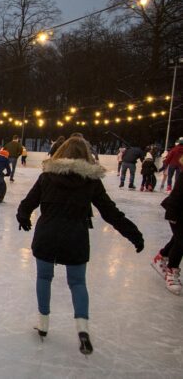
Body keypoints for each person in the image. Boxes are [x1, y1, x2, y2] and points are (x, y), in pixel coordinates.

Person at [17, 137, 144, 355]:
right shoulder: (91, 181)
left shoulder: (47, 176)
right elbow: (111, 213)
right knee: (77, 282)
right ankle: (83, 330)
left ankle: (44, 324)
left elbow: (28, 203)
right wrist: (133, 233)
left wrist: (23, 217)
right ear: (86, 156)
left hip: (47, 235)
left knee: (44, 278)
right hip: (75, 237)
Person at [153, 157, 183, 295]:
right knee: (181, 239)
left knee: (179, 237)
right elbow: (177, 194)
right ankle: (172, 270)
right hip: (177, 210)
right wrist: (172, 215)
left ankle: (162, 256)